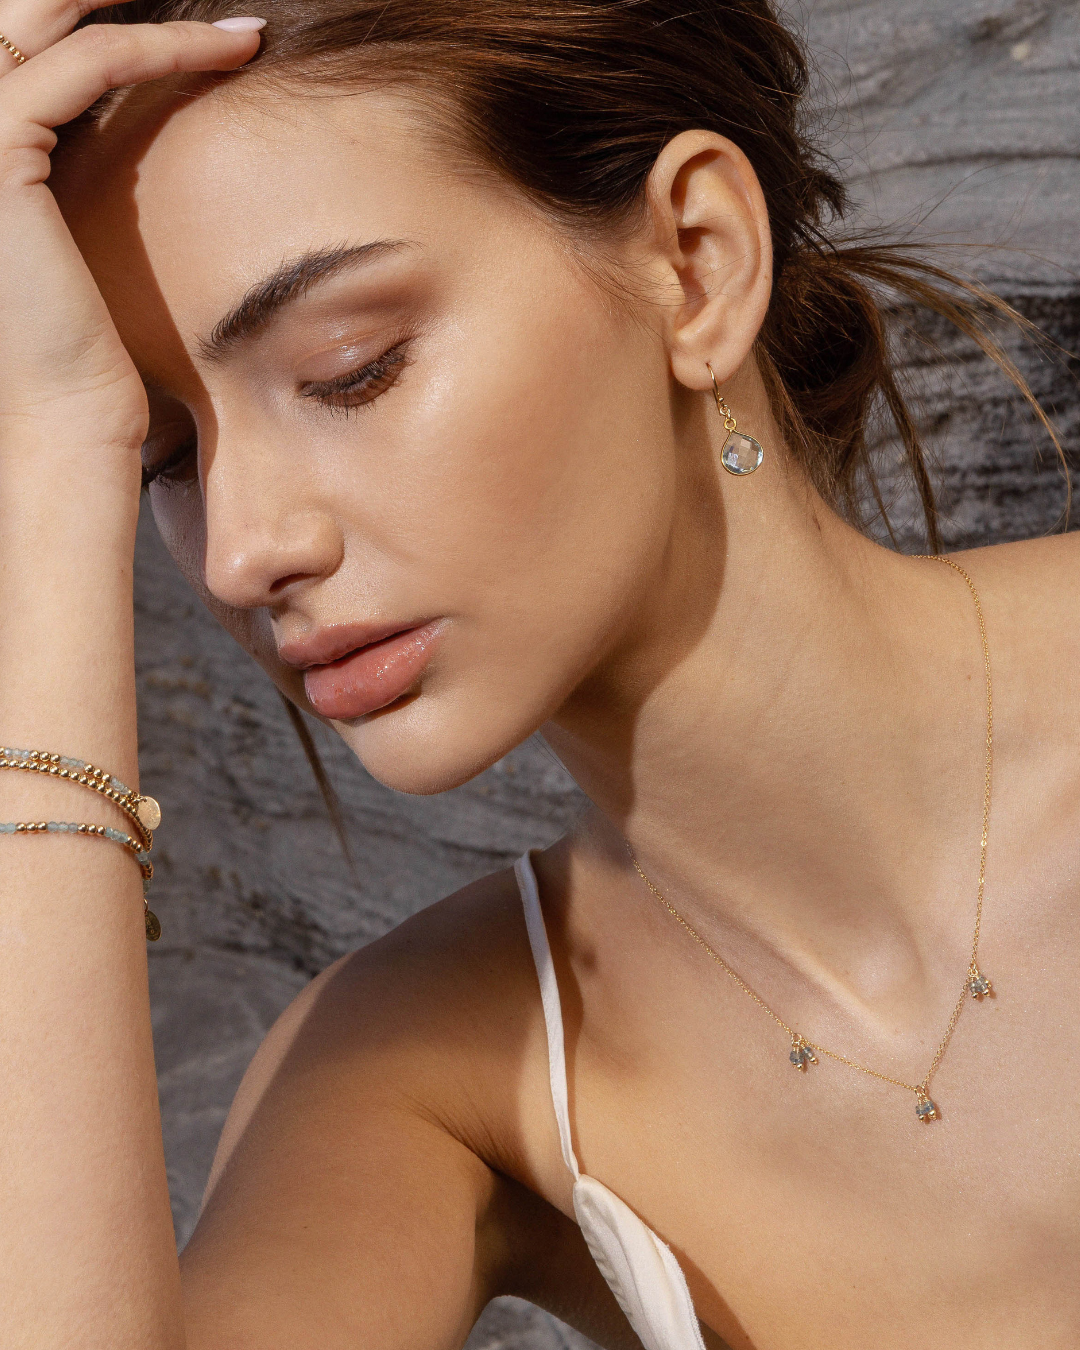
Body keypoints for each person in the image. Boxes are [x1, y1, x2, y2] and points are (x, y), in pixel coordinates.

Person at [1, 0, 1077, 1345]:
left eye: (350, 370)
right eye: (162, 459)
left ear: (695, 263)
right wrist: (49, 460)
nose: (241, 552)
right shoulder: (424, 1074)